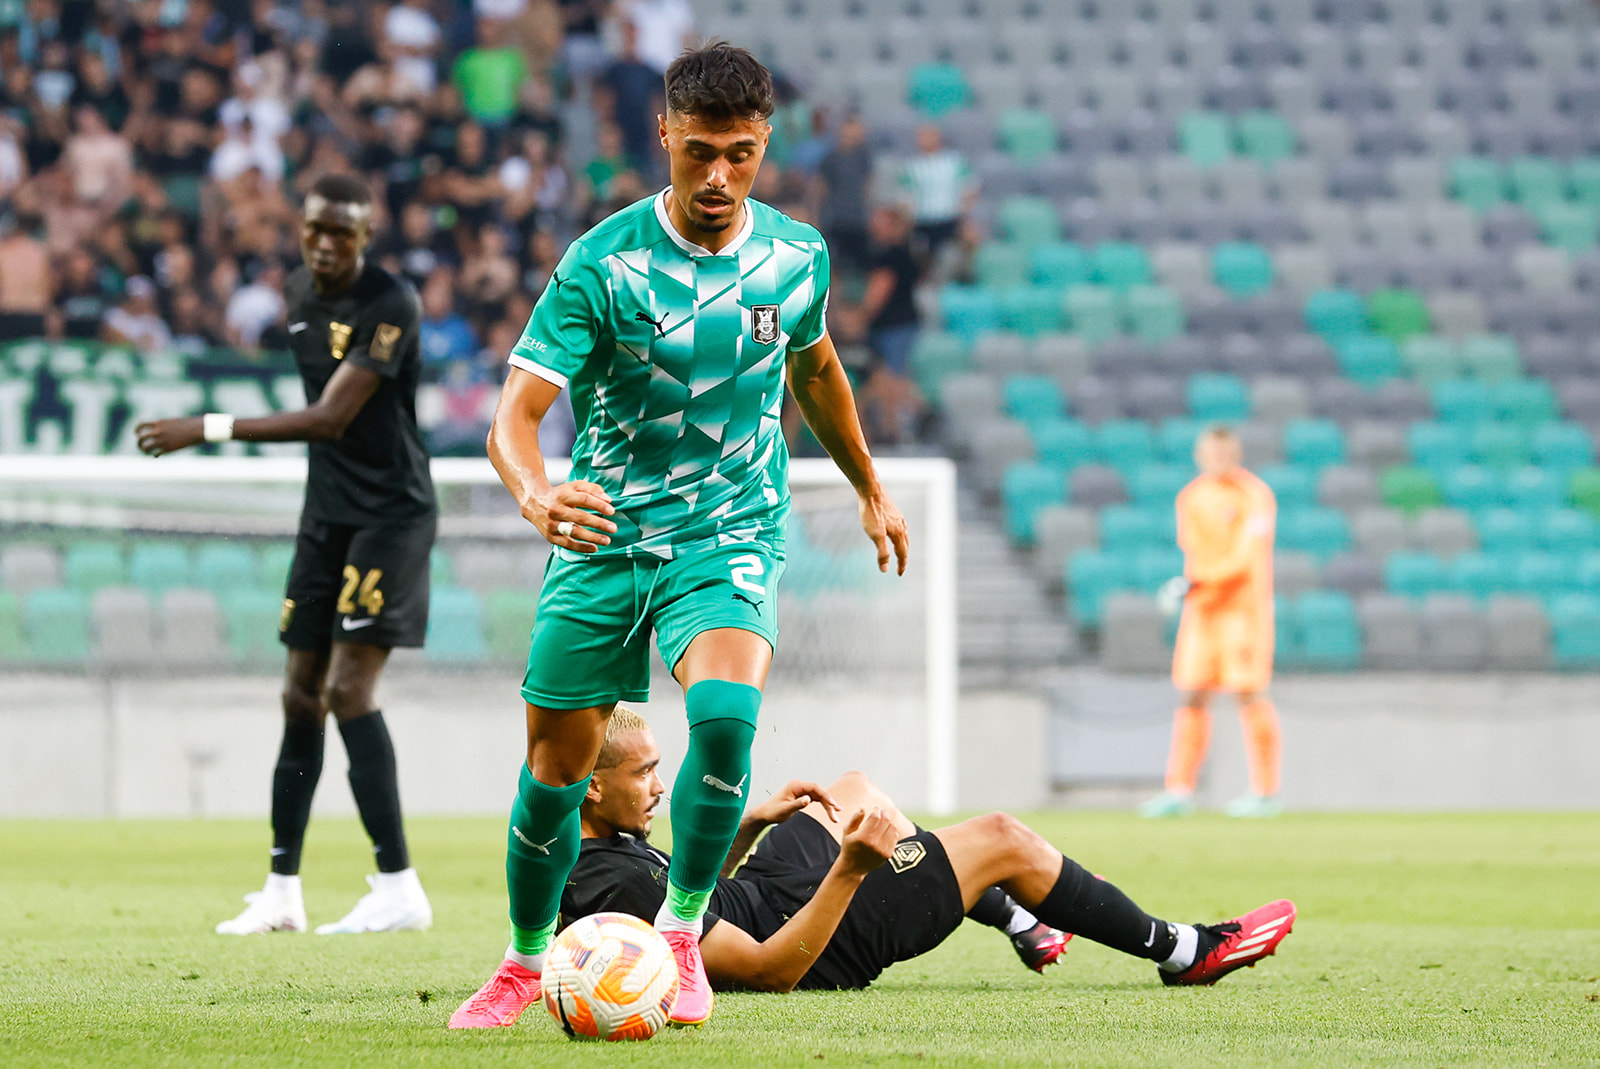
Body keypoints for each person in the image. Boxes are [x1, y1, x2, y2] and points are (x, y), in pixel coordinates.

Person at [451, 43, 910, 1031]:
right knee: (556, 774)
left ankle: (680, 930)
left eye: (739, 154)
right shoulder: (602, 262)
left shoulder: (796, 256)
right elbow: (514, 416)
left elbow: (816, 370)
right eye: (699, 151)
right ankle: (524, 959)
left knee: (727, 718)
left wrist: (869, 486)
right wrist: (535, 494)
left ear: (764, 143)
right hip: (605, 533)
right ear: (663, 134)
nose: (717, 177)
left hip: (730, 527)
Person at [456, 709, 1296, 1024]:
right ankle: (1182, 949)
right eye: (645, 774)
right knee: (1002, 835)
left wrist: (749, 825)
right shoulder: (619, 886)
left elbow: (694, 895)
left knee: (853, 786)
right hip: (821, 939)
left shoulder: (594, 852)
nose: (659, 785)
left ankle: (1009, 912)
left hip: (764, 891)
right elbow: (770, 972)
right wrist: (852, 870)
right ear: (593, 783)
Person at [135, 174, 437, 935]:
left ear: (364, 238)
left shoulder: (391, 303)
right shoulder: (300, 292)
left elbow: (332, 417)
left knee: (347, 690)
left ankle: (399, 885)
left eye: (342, 233)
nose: (326, 245)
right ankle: (281, 890)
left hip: (389, 517)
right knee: (299, 694)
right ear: (300, 231)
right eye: (315, 230)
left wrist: (208, 427)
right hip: (325, 516)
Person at [1143, 426, 1283, 820]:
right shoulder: (1192, 496)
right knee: (1192, 693)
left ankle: (1265, 792)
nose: (1219, 460)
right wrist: (1193, 586)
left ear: (1236, 454)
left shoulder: (1254, 495)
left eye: (1226, 453)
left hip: (1242, 612)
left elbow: (1245, 558)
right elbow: (1194, 551)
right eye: (1212, 453)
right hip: (1203, 612)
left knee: (1249, 693)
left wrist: (1193, 583)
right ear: (1200, 455)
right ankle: (1179, 790)